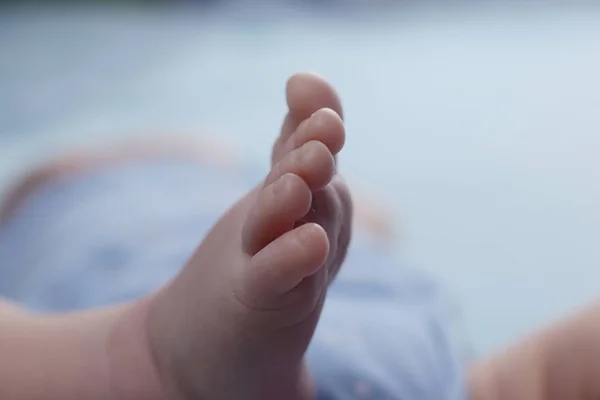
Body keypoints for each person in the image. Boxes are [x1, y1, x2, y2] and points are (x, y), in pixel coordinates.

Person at [0, 71, 596, 400]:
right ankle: (140, 356)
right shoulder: (73, 191)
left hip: (211, 326)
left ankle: (137, 360)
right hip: (412, 363)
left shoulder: (73, 203)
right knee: (529, 380)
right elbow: (375, 216)